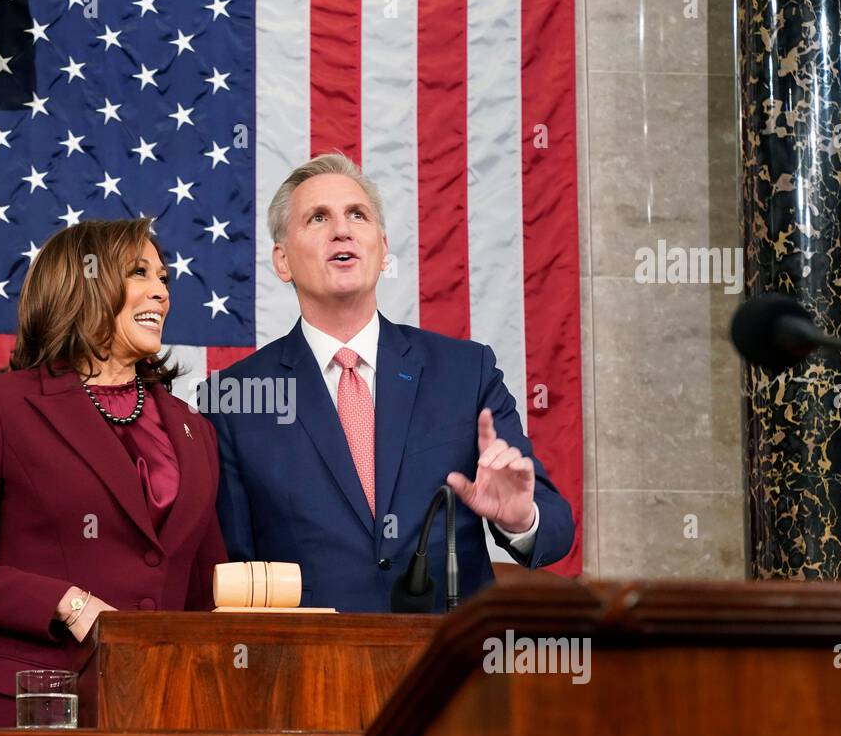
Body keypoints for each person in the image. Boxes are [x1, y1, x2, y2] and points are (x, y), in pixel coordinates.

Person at [202, 153, 574, 612]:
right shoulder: (233, 399)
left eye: (357, 215)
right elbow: (233, 575)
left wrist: (521, 518)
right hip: (308, 673)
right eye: (318, 218)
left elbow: (556, 527)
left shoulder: (465, 371)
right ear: (282, 261)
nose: (342, 230)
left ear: (381, 247)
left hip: (449, 668)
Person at [0, 217, 227, 725]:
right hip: (30, 710)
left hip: (160, 712)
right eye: (140, 273)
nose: (160, 292)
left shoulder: (194, 429)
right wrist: (65, 602)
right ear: (83, 283)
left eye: (164, 279)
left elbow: (207, 594)